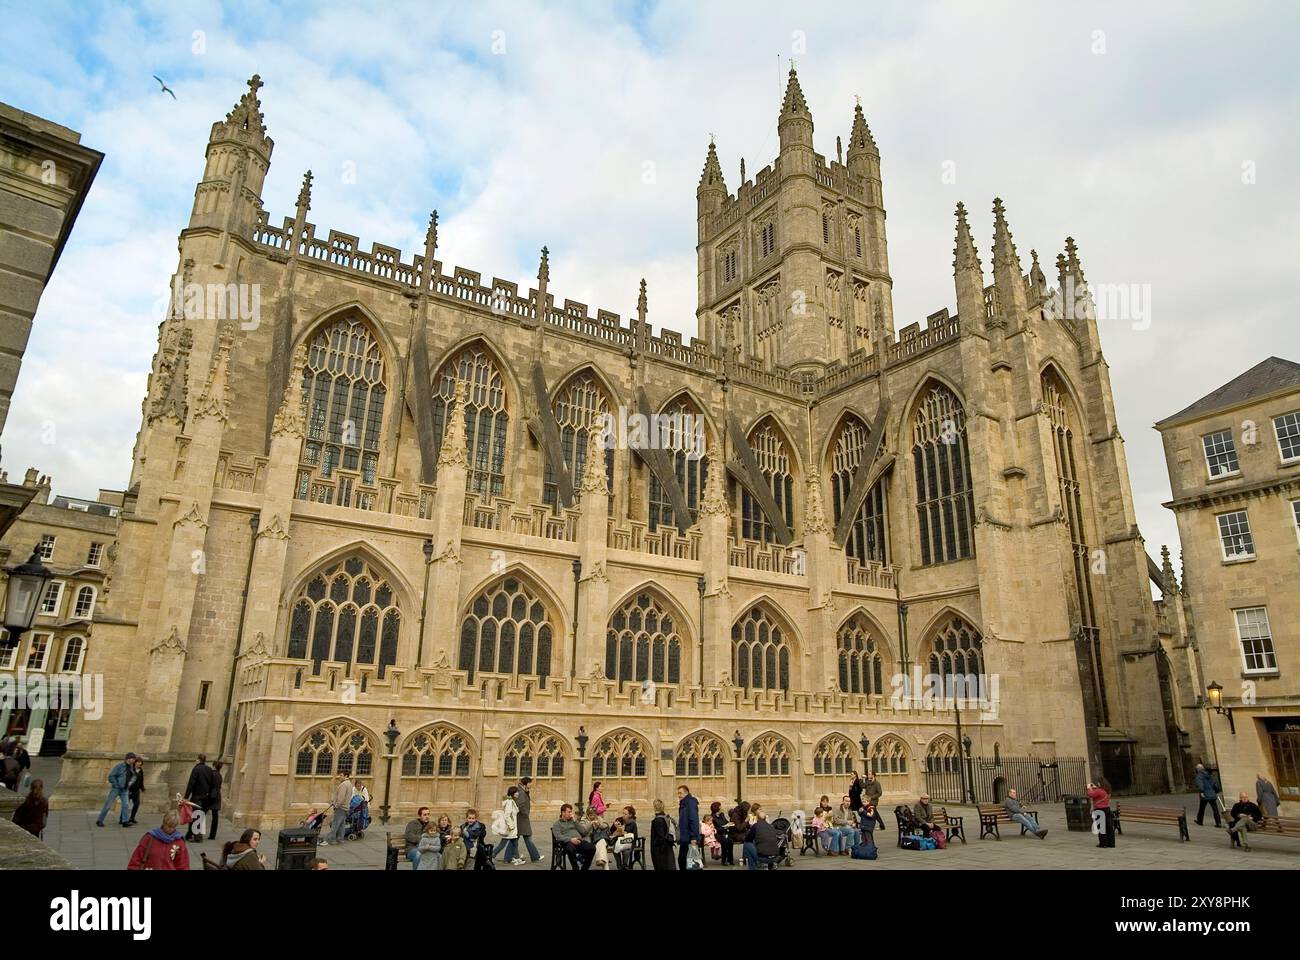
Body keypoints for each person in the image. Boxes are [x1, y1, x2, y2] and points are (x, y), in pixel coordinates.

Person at [97, 752, 136, 827]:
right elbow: (111, 776)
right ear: (128, 759)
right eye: (133, 759)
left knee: (126, 805)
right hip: (116, 789)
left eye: (134, 759)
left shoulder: (131, 767)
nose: (134, 760)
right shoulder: (119, 766)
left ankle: (125, 821)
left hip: (125, 790)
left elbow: (134, 776)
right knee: (108, 805)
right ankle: (100, 820)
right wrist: (116, 785)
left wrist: (130, 783)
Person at [552, 802, 595, 870]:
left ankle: (585, 868)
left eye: (571, 812)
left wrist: (575, 821)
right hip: (568, 843)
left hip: (579, 841)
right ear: (563, 812)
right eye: (568, 812)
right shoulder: (557, 824)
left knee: (592, 848)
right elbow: (558, 836)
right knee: (570, 849)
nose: (570, 814)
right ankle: (575, 868)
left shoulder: (573, 821)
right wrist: (571, 839)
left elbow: (583, 832)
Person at [183, 754, 214, 843]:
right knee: (200, 816)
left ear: (198, 760)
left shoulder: (196, 769)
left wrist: (186, 797)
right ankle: (189, 834)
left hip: (197, 796)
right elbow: (212, 783)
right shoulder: (209, 769)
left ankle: (197, 837)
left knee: (196, 816)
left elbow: (191, 783)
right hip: (206, 796)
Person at [742, 804, 781, 869]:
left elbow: (748, 839)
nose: (761, 810)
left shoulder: (756, 825)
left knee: (747, 844)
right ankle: (770, 865)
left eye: (761, 809)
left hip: (763, 856)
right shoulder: (771, 827)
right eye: (759, 809)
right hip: (775, 856)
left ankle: (753, 867)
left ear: (757, 818)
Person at [516, 776, 544, 863]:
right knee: (527, 837)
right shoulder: (521, 792)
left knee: (514, 839)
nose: (531, 785)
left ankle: (511, 856)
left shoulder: (523, 791)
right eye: (530, 783)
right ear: (526, 783)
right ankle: (535, 856)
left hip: (521, 819)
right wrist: (525, 813)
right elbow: (519, 805)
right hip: (522, 819)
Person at [321, 770, 354, 846]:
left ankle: (331, 839)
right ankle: (340, 838)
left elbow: (341, 798)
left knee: (335, 824)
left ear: (346, 776)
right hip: (345, 807)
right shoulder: (349, 784)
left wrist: (336, 805)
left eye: (341, 775)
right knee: (342, 824)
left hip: (341, 807)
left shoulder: (344, 785)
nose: (339, 777)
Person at [492, 785, 522, 865]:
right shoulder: (510, 802)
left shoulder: (511, 801)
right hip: (510, 828)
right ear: (513, 793)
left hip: (511, 828)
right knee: (505, 844)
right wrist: (511, 826)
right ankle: (492, 855)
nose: (518, 793)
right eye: (516, 792)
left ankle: (517, 858)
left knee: (513, 843)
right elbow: (507, 815)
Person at [676, 784, 701, 870]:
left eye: (680, 793)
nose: (679, 795)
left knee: (687, 861)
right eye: (678, 793)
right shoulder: (683, 803)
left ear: (686, 793)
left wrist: (694, 837)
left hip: (689, 837)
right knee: (686, 861)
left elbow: (693, 820)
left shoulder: (690, 803)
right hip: (685, 837)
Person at [1087, 778, 1115, 848]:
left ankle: (1103, 843)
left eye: (1098, 783)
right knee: (1109, 827)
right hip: (1107, 809)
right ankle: (1111, 843)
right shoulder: (1107, 790)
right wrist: (1094, 787)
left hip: (1100, 810)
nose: (1097, 784)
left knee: (1101, 828)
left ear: (1100, 783)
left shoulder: (1099, 791)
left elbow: (1090, 795)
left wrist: (1089, 788)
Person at [1192, 763, 1222, 827]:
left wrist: (1202, 792)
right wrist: (1216, 790)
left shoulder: (1199, 776)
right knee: (1215, 809)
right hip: (1212, 794)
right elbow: (1215, 783)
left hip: (1205, 795)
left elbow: (1200, 784)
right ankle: (1218, 822)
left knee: (1202, 808)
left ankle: (1200, 821)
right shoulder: (1209, 774)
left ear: (1197, 770)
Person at [650, 799, 675, 871]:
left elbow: (660, 837)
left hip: (661, 850)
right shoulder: (666, 817)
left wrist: (655, 846)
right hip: (668, 847)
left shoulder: (658, 820)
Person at [208, 761, 224, 841]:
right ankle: (212, 834)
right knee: (215, 816)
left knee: (202, 813)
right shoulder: (219, 775)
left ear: (214, 766)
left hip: (210, 795)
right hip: (217, 795)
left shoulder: (212, 774)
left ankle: (198, 831)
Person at [126, 757, 145, 826]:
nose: (139, 764)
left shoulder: (140, 770)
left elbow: (141, 779)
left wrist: (142, 788)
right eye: (138, 762)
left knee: (136, 804)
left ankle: (132, 818)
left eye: (140, 762)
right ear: (135, 762)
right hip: (129, 790)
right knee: (126, 805)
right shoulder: (131, 769)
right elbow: (130, 779)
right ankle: (122, 818)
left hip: (136, 790)